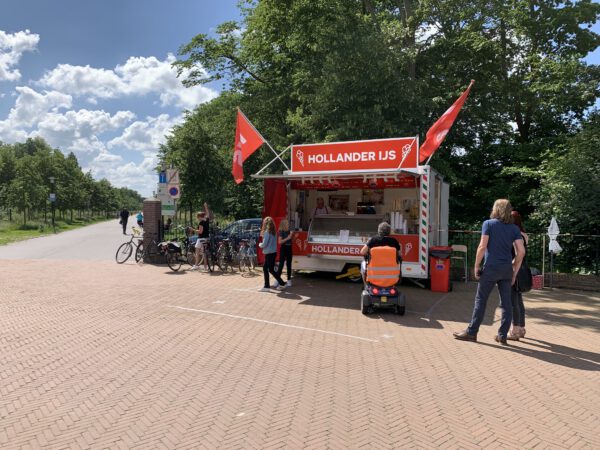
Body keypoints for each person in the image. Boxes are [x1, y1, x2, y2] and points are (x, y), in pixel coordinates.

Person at [453, 199, 525, 345]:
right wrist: (514, 271)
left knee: (481, 301)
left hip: (491, 268)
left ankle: (472, 333)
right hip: (506, 270)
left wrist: (476, 266)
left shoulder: (488, 224)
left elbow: (482, 246)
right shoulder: (514, 229)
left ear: (496, 209)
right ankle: (502, 335)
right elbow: (521, 251)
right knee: (507, 304)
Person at [508, 210, 529, 341]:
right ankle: (521, 328)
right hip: (523, 269)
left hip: (516, 270)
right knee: (519, 300)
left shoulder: (517, 235)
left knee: (513, 301)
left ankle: (515, 330)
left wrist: (512, 266)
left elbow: (519, 253)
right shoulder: (524, 234)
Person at [259, 216, 286, 292]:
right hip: (273, 253)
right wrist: (263, 236)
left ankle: (278, 284)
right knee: (268, 269)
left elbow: (264, 244)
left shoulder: (267, 232)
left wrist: (260, 244)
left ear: (266, 223)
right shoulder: (274, 232)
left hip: (269, 253)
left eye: (264, 223)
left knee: (269, 269)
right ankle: (269, 285)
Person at [191, 203, 212, 271]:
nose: (197, 218)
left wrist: (193, 229)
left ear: (200, 217)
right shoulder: (207, 220)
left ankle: (196, 265)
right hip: (207, 238)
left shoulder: (201, 223)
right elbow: (208, 214)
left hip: (201, 239)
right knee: (204, 253)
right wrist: (206, 207)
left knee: (197, 251)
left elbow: (200, 231)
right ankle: (206, 267)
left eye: (198, 217)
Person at [277, 219, 294, 287]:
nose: (288, 224)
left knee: (289, 264)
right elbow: (279, 242)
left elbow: (290, 240)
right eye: (287, 223)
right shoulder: (281, 231)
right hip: (283, 248)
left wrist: (292, 237)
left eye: (288, 223)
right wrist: (288, 238)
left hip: (289, 248)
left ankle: (289, 280)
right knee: (281, 264)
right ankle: (278, 279)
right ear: (283, 224)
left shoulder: (289, 230)